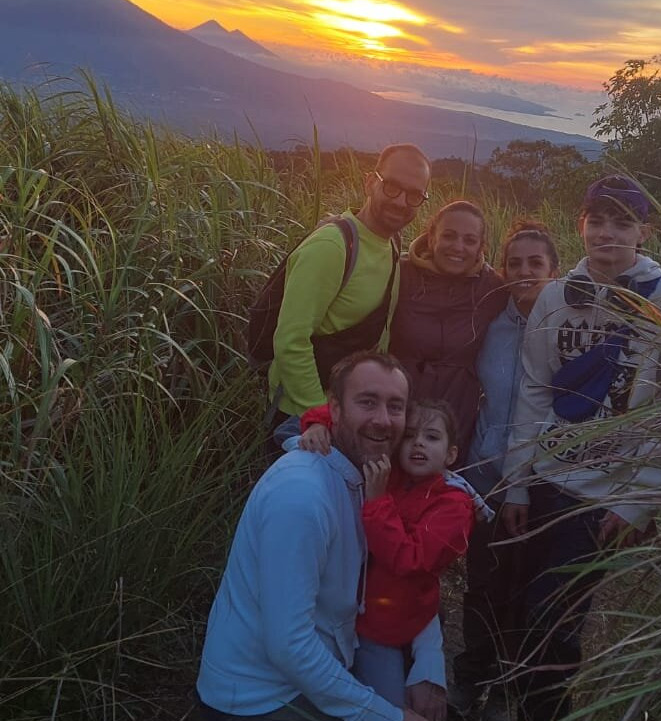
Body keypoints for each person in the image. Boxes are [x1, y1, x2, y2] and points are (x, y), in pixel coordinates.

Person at [502, 175, 661, 721]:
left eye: (623, 223)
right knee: (523, 603)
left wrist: (637, 502)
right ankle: (517, 699)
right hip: (547, 476)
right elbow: (533, 390)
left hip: (603, 496)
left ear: (646, 231)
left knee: (553, 616)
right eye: (598, 221)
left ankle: (542, 711)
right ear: (581, 225)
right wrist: (517, 482)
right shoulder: (555, 297)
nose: (608, 234)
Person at [196, 351, 444, 721]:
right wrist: (388, 716)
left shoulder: (373, 479)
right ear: (335, 409)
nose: (382, 420)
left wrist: (429, 663)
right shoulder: (302, 495)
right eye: (367, 402)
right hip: (258, 698)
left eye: (396, 406)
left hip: (321, 665)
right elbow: (289, 646)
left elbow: (410, 574)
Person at [299, 400, 492, 708]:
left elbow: (410, 560)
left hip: (383, 629)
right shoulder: (396, 473)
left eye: (431, 437)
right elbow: (356, 416)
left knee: (385, 706)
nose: (418, 443)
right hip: (347, 615)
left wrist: (376, 503)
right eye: (410, 435)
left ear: (451, 454)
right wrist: (318, 424)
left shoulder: (455, 507)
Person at [449, 222, 560, 721]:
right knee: (483, 583)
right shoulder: (489, 321)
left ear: (553, 270)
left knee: (526, 586)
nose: (523, 272)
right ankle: (472, 674)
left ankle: (508, 685)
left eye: (535, 263)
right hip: (485, 474)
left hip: (542, 480)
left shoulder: (567, 326)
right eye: (514, 262)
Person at [268, 144, 431, 429]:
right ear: (370, 183)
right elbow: (291, 340)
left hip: (349, 414)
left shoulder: (391, 243)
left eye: (415, 195)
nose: (402, 201)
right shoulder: (332, 247)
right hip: (302, 417)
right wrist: (320, 415)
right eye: (392, 186)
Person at [389, 201, 507, 457]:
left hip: (455, 417)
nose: (458, 247)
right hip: (399, 408)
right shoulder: (399, 273)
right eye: (449, 236)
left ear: (480, 248)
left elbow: (531, 299)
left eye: (470, 240)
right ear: (431, 237)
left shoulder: (493, 289)